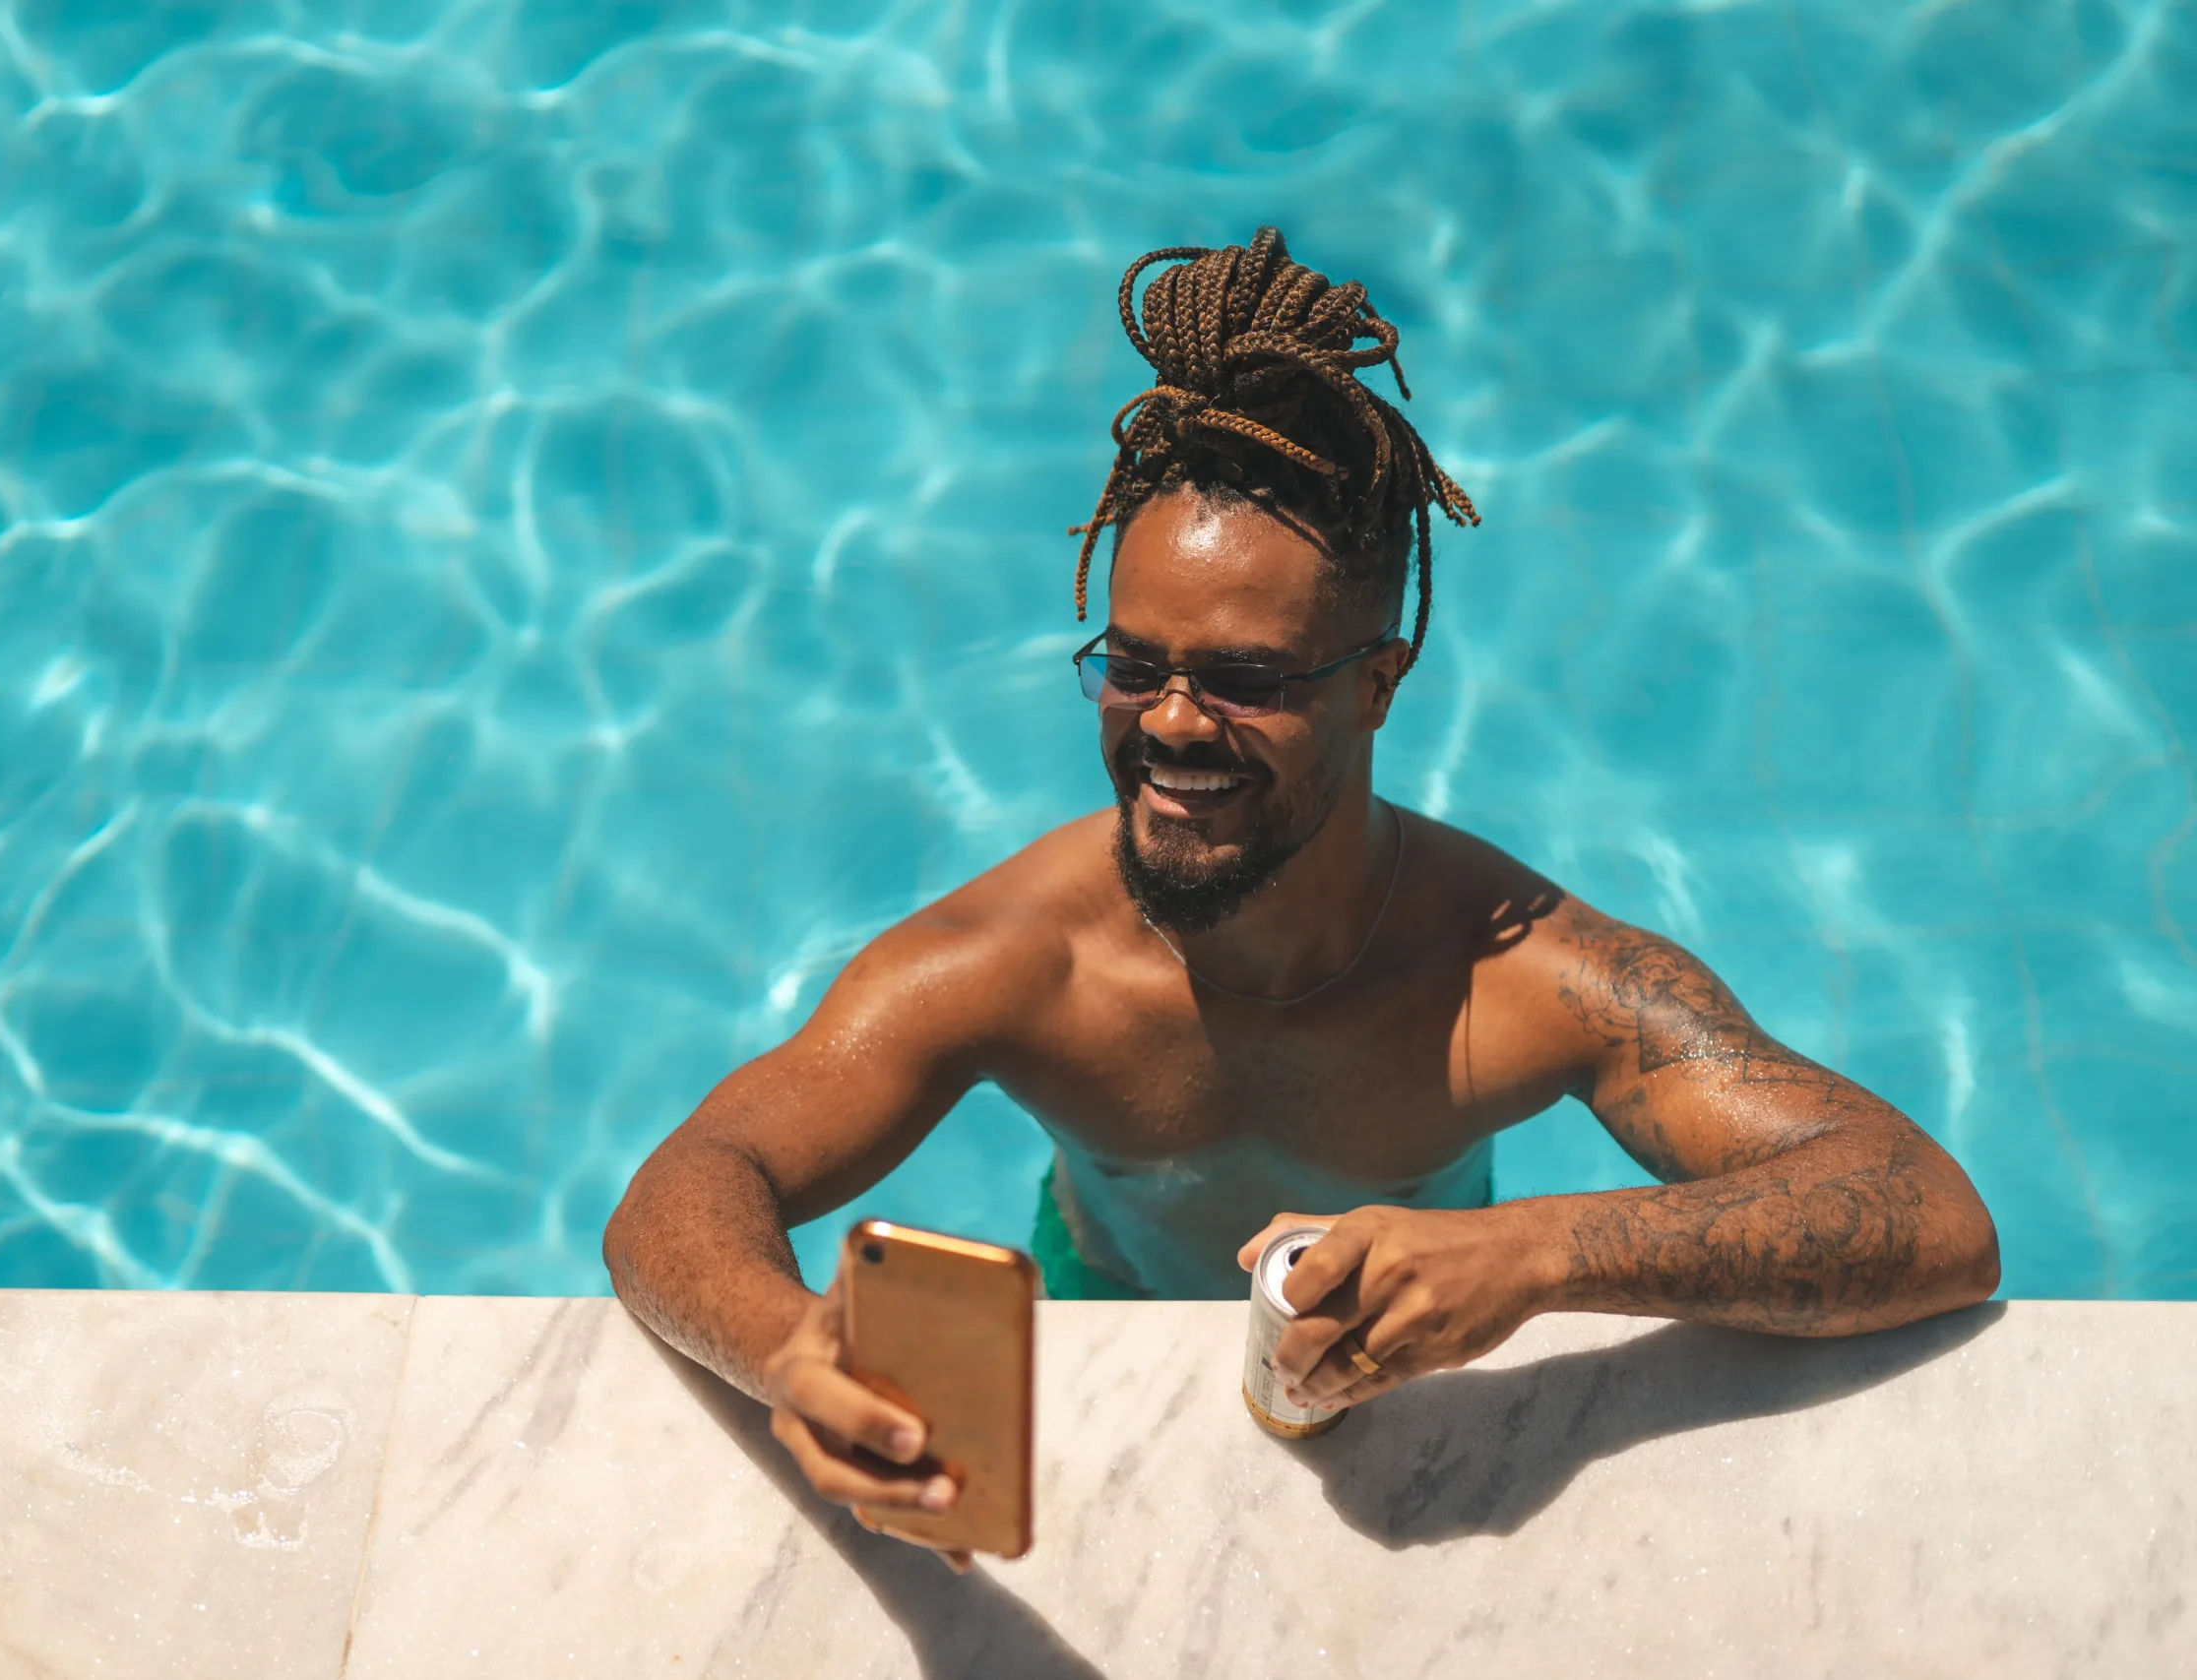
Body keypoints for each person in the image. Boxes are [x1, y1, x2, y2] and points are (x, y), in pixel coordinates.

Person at [604, 227, 2000, 1559]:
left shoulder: (1517, 974)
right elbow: (688, 1184)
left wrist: (1528, 1252)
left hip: (1414, 1337)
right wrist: (792, 1349)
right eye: (1134, 662)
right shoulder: (1018, 960)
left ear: (1377, 686)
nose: (1169, 725)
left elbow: (1929, 1212)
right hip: (1108, 1297)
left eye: (1247, 681)